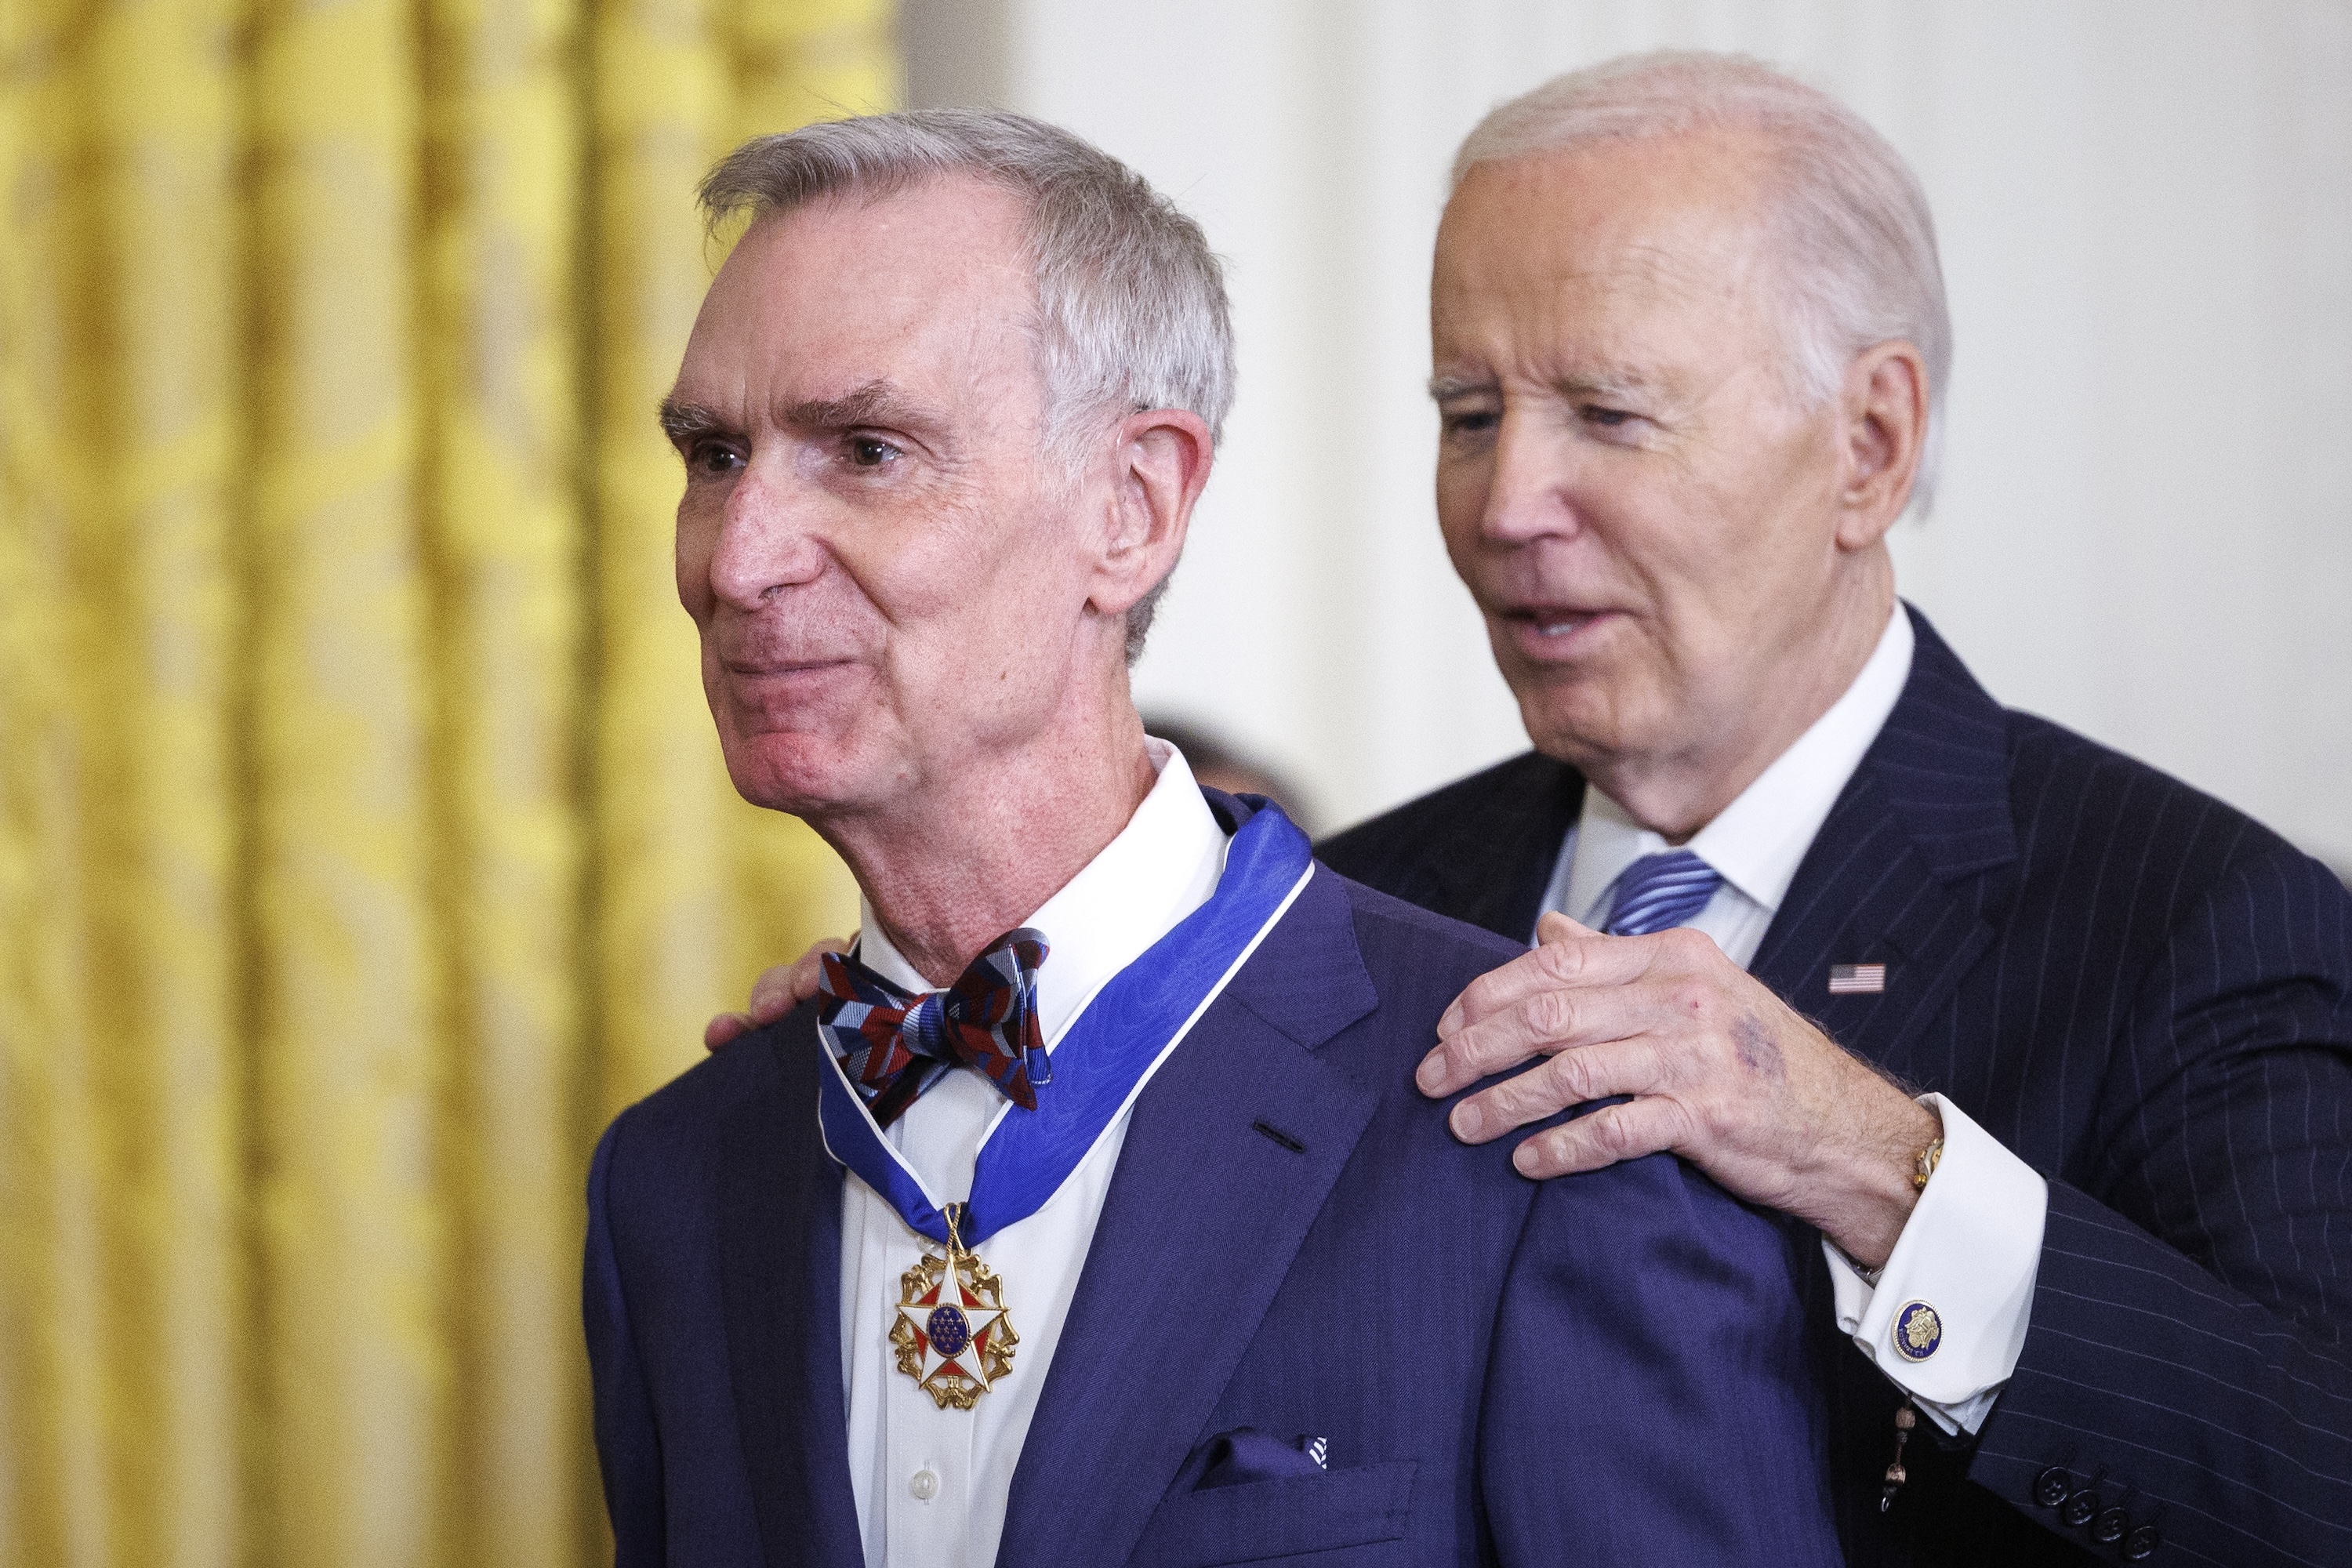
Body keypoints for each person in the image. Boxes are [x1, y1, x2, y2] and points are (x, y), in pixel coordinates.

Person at [720, 54, 2352, 1566]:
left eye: (1609, 415)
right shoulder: (1360, 903)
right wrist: (938, 1043)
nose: (1506, 508)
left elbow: (2314, 1481)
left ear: (1871, 442)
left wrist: (1879, 1166)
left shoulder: (2199, 921)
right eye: (1468, 415)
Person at [585, 109, 1841, 1568]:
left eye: (866, 450)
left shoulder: (1549, 1134)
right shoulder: (672, 1180)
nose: (738, 559)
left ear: (1134, 506)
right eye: (713, 452)